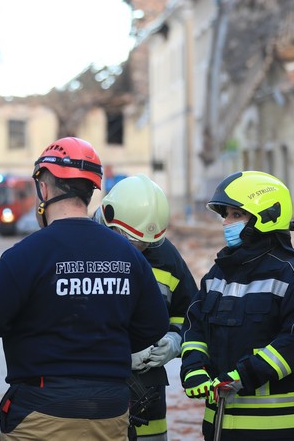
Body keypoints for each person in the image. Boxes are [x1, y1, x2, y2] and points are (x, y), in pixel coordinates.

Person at [0, 136, 170, 440]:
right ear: (90, 191)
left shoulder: (27, 254)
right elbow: (154, 325)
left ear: (43, 188)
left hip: (41, 412)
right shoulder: (127, 254)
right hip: (110, 412)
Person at [180, 170, 294, 440]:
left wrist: (242, 376)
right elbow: (195, 328)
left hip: (274, 429)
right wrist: (194, 367)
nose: (226, 223)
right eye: (225, 215)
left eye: (236, 215)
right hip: (218, 427)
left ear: (266, 216)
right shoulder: (217, 274)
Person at [96, 174, 199, 440]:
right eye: (132, 242)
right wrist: (118, 355)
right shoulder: (82, 249)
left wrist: (175, 340)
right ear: (110, 220)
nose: (139, 251)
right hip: (92, 397)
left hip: (146, 396)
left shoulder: (165, 257)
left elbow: (193, 313)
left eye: (146, 244)